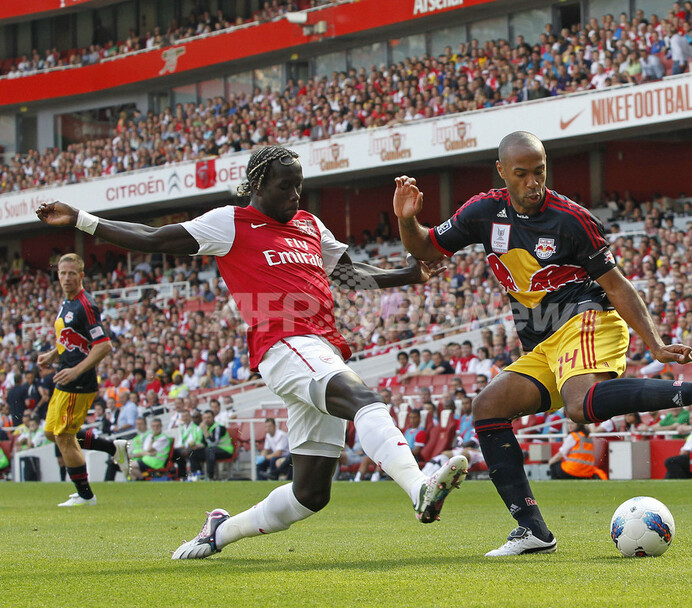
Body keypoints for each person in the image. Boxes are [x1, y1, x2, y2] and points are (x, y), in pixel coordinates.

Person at [38, 145, 467, 559]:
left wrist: (409, 274)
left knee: (310, 495)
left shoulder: (310, 224)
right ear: (258, 185)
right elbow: (153, 237)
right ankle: (419, 488)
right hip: (283, 343)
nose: (295, 195)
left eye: (299, 186)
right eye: (285, 186)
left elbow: (349, 274)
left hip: (321, 347)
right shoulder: (230, 222)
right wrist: (81, 219)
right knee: (363, 399)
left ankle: (219, 531)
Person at [393, 131, 692, 556]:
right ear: (502, 171)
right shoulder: (483, 212)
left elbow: (617, 285)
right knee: (488, 407)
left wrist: (654, 344)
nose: (532, 183)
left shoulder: (572, 219)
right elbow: (424, 246)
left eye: (539, 172)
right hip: (545, 343)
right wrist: (406, 219)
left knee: (579, 405)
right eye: (521, 174)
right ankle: (533, 531)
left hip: (590, 319)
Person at [36, 253, 129, 506]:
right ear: (58, 275)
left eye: (71, 273)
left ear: (81, 276)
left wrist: (76, 371)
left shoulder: (86, 305)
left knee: (64, 436)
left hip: (78, 381)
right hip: (64, 376)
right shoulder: (67, 302)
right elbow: (74, 337)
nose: (66, 278)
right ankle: (112, 448)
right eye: (63, 273)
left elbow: (104, 345)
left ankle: (86, 496)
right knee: (51, 433)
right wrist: (53, 354)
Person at [189, 409, 234, 480]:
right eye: (205, 418)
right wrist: (196, 446)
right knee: (193, 452)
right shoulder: (206, 427)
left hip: (225, 450)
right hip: (212, 451)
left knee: (209, 450)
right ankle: (197, 474)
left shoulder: (218, 427)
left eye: (209, 417)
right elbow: (204, 443)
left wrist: (205, 431)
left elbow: (213, 443)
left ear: (213, 417)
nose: (206, 420)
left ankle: (210, 476)